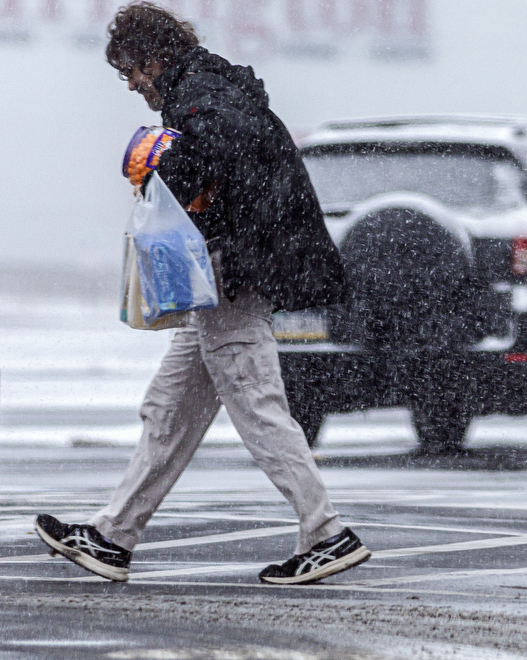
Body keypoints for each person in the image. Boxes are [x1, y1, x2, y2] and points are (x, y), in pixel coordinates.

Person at [34, 1, 370, 586]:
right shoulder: (205, 88)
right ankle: (113, 536)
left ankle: (326, 533)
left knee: (258, 408)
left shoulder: (201, 95)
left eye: (133, 70)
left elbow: (221, 159)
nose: (133, 84)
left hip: (235, 277)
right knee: (168, 410)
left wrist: (160, 165)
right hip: (224, 278)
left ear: (155, 55)